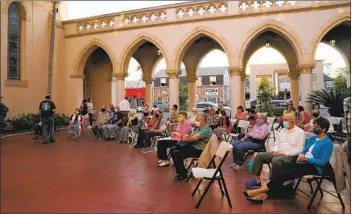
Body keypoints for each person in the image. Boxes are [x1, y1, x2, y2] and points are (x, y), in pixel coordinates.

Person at [244, 117, 333, 203]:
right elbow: (304, 150)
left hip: (316, 167)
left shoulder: (327, 143)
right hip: (303, 162)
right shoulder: (313, 138)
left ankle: (262, 192)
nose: (313, 128)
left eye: (316, 127)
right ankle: (272, 192)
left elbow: (323, 162)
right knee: (283, 172)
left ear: (324, 129)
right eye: (314, 126)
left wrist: (306, 158)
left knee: (285, 172)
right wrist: (301, 156)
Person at [244, 113, 305, 188]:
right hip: (278, 153)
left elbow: (300, 149)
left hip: (291, 156)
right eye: (283, 120)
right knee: (259, 156)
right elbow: (277, 143)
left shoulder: (300, 132)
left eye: (286, 120)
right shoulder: (282, 130)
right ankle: (257, 181)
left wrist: (284, 154)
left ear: (292, 121)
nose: (283, 122)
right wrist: (274, 150)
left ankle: (273, 184)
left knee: (276, 160)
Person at [170, 113, 213, 182]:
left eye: (197, 120)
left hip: (200, 150)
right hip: (194, 146)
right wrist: (187, 136)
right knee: (173, 149)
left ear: (203, 121)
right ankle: (182, 171)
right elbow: (192, 136)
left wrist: (185, 139)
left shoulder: (206, 129)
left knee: (176, 153)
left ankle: (183, 175)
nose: (196, 121)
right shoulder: (199, 128)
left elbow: (195, 138)